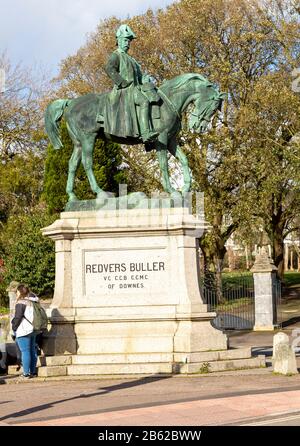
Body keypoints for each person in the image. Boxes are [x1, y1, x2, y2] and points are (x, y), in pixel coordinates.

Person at [103, 24, 160, 143]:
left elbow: (139, 76)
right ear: (118, 41)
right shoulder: (116, 55)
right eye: (125, 40)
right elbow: (109, 68)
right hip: (125, 90)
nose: (127, 43)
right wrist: (122, 83)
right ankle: (145, 134)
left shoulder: (131, 59)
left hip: (135, 88)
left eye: (129, 41)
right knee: (144, 101)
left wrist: (144, 79)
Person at [11, 284, 39, 379]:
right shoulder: (34, 301)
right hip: (34, 328)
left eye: (17, 291)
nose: (16, 293)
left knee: (25, 351)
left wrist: (14, 327)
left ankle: (26, 373)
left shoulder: (21, 302)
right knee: (32, 350)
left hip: (23, 329)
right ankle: (33, 372)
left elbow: (18, 317)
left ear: (20, 292)